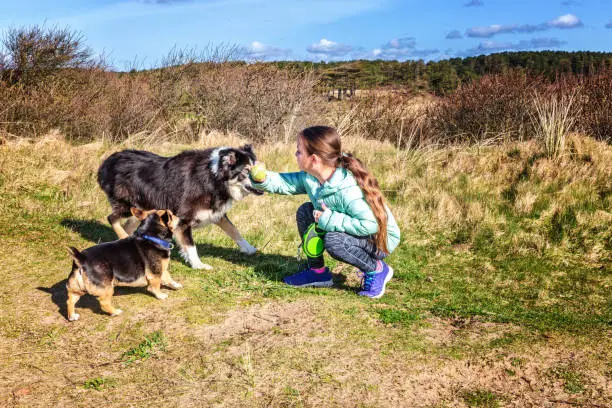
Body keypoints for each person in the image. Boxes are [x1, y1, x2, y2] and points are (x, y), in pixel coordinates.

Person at [250, 126, 400, 298]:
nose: (295, 154)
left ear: (313, 159)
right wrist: (261, 178)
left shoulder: (348, 189)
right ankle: (317, 271)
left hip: (380, 241)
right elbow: (285, 183)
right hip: (352, 229)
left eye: (299, 151)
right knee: (306, 211)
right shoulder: (311, 178)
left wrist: (330, 219)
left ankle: (377, 269)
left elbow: (371, 225)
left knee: (334, 240)